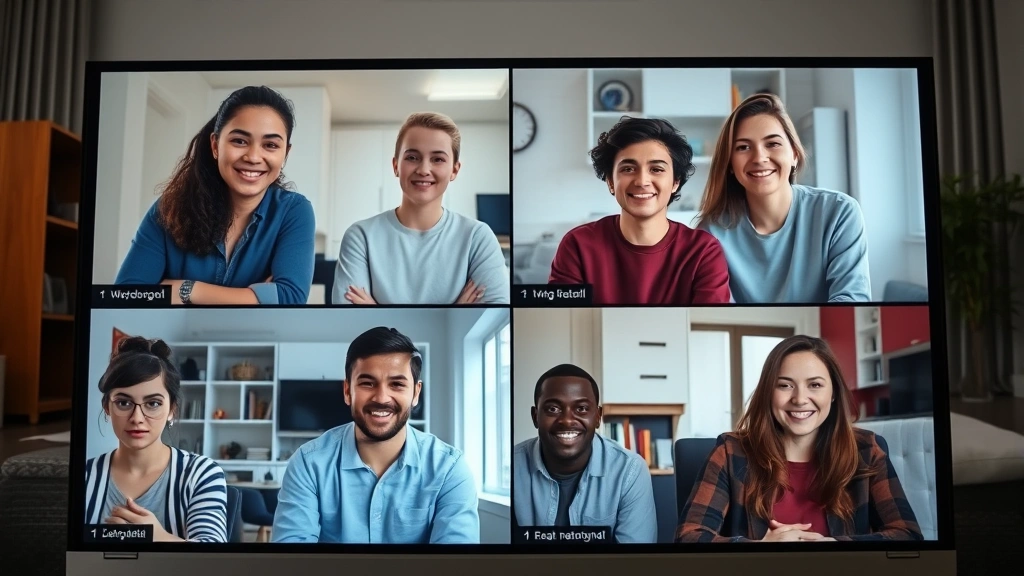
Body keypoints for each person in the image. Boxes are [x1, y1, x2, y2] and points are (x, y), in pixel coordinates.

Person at [674, 335, 922, 543]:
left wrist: (838, 546)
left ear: (833, 393)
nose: (800, 399)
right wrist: (759, 549)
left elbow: (907, 534)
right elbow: (689, 536)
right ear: (768, 393)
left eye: (815, 385)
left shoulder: (867, 450)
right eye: (785, 385)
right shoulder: (730, 452)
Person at [272, 326, 480, 543]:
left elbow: (456, 565)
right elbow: (292, 558)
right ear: (347, 391)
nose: (381, 397)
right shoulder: (308, 463)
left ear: (416, 393)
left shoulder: (449, 468)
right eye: (367, 383)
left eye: (397, 384)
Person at [114, 85, 316, 305]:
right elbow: (126, 297)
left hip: (258, 340)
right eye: (239, 141)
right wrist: (259, 296)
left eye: (270, 145)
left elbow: (290, 298)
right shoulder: (168, 209)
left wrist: (186, 289)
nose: (253, 157)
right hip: (171, 339)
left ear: (285, 154)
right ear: (215, 145)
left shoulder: (294, 211)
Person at [695, 93, 871, 304]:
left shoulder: (840, 212)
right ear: (730, 165)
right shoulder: (710, 233)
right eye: (743, 147)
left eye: (773, 144)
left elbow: (851, 298)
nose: (759, 158)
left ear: (794, 154)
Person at [548, 116, 731, 305]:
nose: (642, 181)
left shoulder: (703, 252)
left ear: (675, 182)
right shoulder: (578, 245)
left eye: (657, 169)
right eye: (628, 169)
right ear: (611, 181)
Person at [332, 112, 510, 305]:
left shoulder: (477, 237)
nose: (424, 169)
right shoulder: (360, 237)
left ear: (454, 170)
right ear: (395, 166)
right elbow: (349, 314)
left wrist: (376, 309)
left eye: (438, 159)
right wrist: (453, 311)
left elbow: (496, 308)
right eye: (412, 157)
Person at [84, 336, 228, 542]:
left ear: (171, 410)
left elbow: (214, 560)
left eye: (152, 403)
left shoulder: (201, 474)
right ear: (107, 407)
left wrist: (155, 537)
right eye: (124, 402)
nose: (137, 418)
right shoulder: (86, 476)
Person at [513, 363, 658, 543]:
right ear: (535, 417)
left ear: (598, 417)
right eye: (553, 409)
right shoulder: (514, 466)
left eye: (581, 408)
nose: (566, 421)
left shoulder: (630, 470)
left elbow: (633, 564)